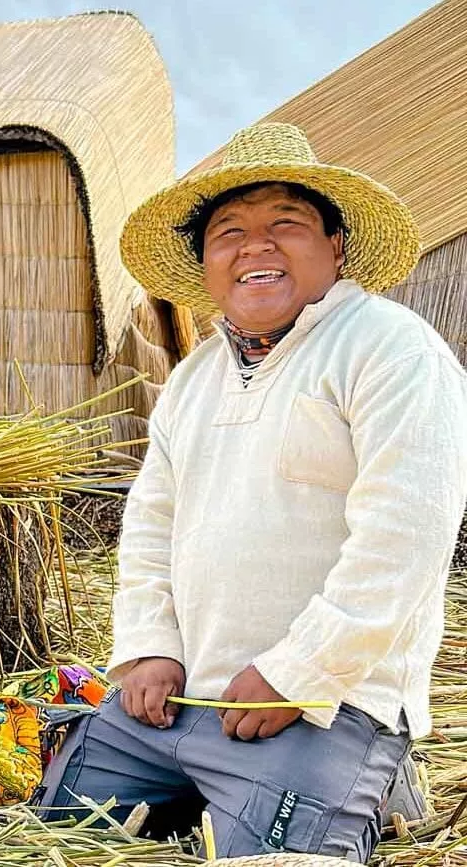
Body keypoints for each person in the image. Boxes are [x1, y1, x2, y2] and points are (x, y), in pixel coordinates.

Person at [35, 123, 467, 862]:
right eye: (230, 232)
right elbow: (149, 524)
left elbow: (405, 534)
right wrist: (147, 649)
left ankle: (368, 775)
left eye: (285, 225)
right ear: (207, 266)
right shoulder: (192, 380)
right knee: (54, 830)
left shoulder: (389, 347)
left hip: (322, 704)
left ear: (335, 246)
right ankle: (310, 788)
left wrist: (295, 672)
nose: (256, 246)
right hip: (176, 705)